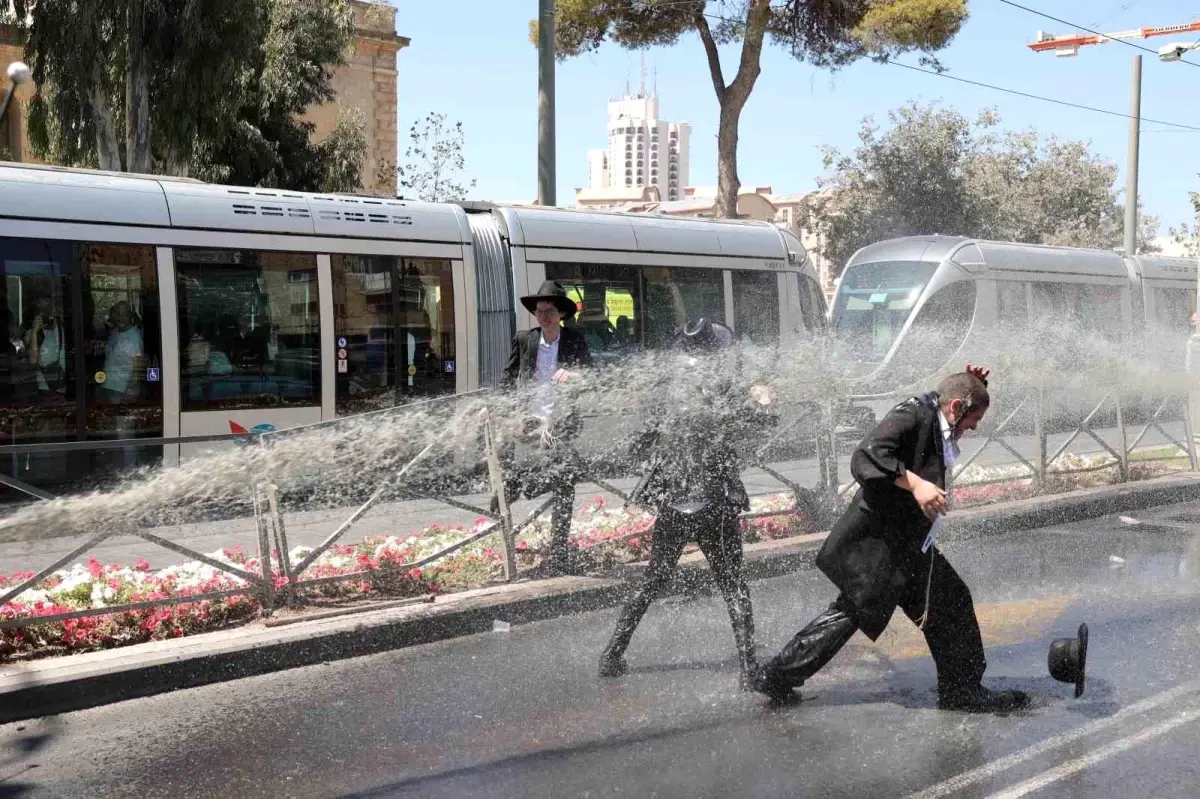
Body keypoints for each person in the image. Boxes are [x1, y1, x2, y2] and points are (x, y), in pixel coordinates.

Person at [753, 366, 1031, 713]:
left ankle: (962, 689)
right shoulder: (912, 414)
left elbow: (956, 394)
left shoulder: (942, 411)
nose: (975, 427)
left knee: (946, 603)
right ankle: (777, 675)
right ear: (956, 407)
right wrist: (916, 483)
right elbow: (865, 456)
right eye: (973, 418)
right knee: (855, 610)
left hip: (908, 544)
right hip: (883, 545)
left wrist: (975, 382)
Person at [598, 319, 775, 690]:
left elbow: (638, 444)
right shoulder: (725, 387)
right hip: (715, 503)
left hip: (675, 503)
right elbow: (763, 420)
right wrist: (764, 399)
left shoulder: (666, 391)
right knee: (733, 585)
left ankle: (612, 653)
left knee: (652, 580)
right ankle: (747, 669)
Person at [499, 280, 593, 575]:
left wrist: (574, 375)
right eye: (539, 312)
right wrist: (498, 410)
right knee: (556, 478)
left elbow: (592, 375)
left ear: (561, 313)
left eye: (549, 311)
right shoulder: (525, 339)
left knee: (565, 483)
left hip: (559, 425)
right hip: (529, 423)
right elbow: (507, 378)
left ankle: (560, 551)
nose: (543, 317)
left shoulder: (575, 340)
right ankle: (519, 487)